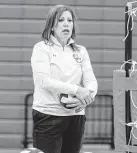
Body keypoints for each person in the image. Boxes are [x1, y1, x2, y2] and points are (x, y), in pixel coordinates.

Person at [31, 4, 98, 153]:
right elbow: (44, 81)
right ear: (52, 26)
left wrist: (87, 98)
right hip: (48, 116)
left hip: (75, 117)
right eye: (61, 20)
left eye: (70, 20)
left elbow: (91, 81)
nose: (66, 23)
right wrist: (77, 90)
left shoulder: (81, 51)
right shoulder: (41, 48)